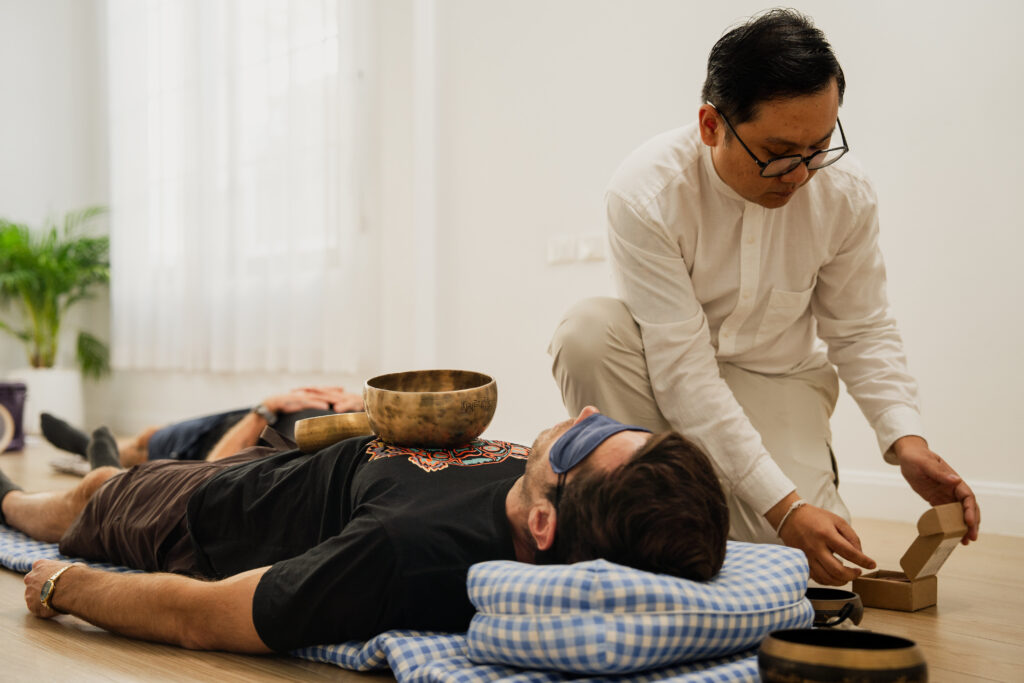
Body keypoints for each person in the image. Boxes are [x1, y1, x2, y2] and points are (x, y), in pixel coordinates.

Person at [548, 9, 979, 586]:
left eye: (820, 146)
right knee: (588, 332)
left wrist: (906, 441)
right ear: (710, 125)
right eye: (778, 152)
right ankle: (634, 510)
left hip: (779, 382)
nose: (801, 174)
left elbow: (862, 329)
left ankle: (672, 525)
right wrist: (786, 509)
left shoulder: (844, 196)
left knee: (809, 575)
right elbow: (684, 372)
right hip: (661, 380)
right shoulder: (647, 193)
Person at [0, 407, 728, 653]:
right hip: (292, 465)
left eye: (580, 441)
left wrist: (69, 584)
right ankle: (95, 447)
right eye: (607, 425)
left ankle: (9, 496)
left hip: (206, 512)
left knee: (86, 498)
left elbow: (202, 618)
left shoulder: (401, 556)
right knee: (122, 464)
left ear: (545, 524)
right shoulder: (546, 501)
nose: (579, 418)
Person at [41, 386, 364, 469]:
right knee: (152, 432)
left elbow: (215, 469)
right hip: (270, 412)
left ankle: (87, 447)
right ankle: (96, 445)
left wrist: (263, 411)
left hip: (226, 440)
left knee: (145, 443)